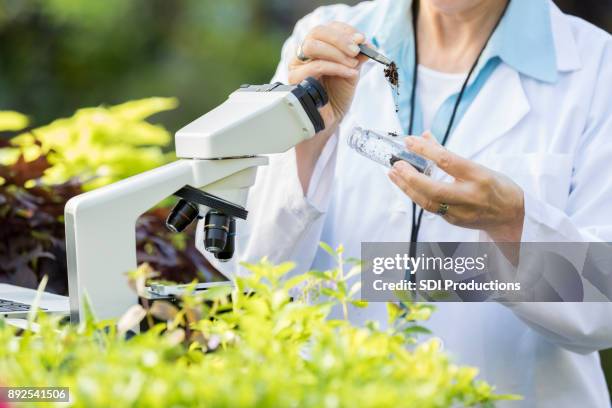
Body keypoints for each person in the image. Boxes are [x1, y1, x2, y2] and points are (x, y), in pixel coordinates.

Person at [206, 0, 612, 406]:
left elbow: (603, 310)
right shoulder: (321, 42)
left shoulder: (596, 69)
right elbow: (252, 272)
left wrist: (513, 224)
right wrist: (309, 142)